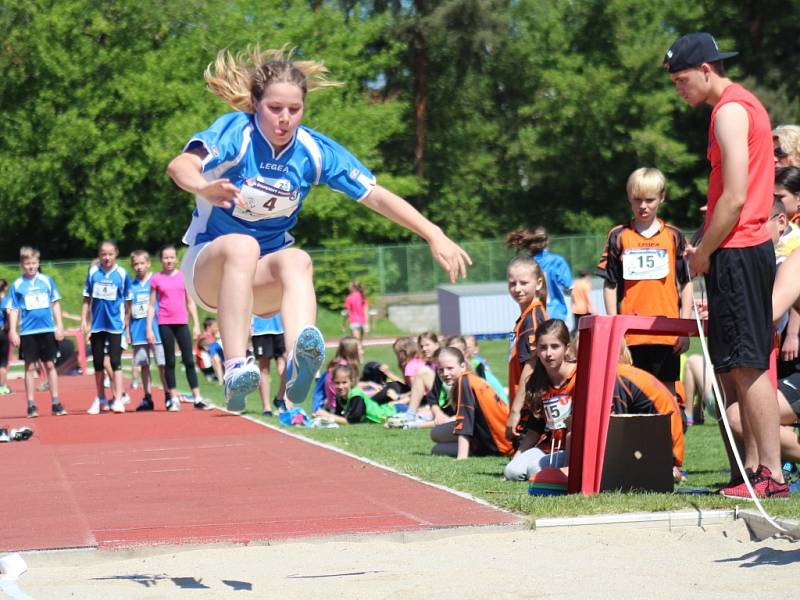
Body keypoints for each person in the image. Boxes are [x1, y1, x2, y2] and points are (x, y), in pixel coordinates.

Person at [166, 45, 470, 412]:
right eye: (274, 108)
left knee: (297, 260)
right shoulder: (238, 134)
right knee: (242, 246)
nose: (285, 119)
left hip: (260, 283)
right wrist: (202, 186)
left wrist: (433, 233)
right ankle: (235, 366)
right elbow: (180, 165)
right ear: (255, 104)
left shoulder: (313, 150)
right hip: (209, 269)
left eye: (294, 110)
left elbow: (374, 195)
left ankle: (298, 365)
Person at [665, 31, 787, 497]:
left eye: (681, 80)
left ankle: (770, 475)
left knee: (748, 364)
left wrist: (703, 252)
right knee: (738, 363)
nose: (678, 89)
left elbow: (735, 198)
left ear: (706, 70)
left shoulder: (730, 111)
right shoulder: (739, 107)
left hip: (738, 249)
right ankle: (757, 471)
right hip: (739, 247)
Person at [596, 167, 693, 403]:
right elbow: (610, 284)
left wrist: (684, 328)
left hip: (666, 332)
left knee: (667, 396)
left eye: (650, 200)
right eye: (637, 199)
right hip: (630, 334)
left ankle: (672, 437)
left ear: (662, 198)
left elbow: (686, 282)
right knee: (632, 393)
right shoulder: (618, 236)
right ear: (629, 197)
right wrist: (614, 328)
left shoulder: (674, 236)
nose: (643, 206)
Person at [505, 319, 574, 480]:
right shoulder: (536, 381)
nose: (548, 354)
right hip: (548, 447)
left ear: (566, 348)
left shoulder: (579, 376)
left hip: (572, 448)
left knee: (536, 467)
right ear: (536, 350)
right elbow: (534, 430)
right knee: (512, 471)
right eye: (543, 348)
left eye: (555, 347)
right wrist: (516, 460)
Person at [147, 244, 210, 411]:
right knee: (170, 361)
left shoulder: (183, 277)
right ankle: (173, 398)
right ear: (161, 260)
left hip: (182, 322)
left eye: (172, 257)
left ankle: (197, 397)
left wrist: (196, 324)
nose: (169, 260)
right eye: (165, 258)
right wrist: (148, 329)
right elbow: (151, 306)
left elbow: (190, 302)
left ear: (176, 259)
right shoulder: (156, 279)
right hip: (164, 323)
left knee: (189, 360)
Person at [7, 247, 67, 417]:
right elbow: (13, 309)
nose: (31, 267)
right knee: (30, 366)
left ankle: (56, 402)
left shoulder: (47, 281)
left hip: (47, 329)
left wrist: (59, 325)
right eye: (27, 264)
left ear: (38, 263)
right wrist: (13, 330)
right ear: (21, 265)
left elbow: (55, 303)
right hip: (28, 332)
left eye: (33, 263)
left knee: (50, 365)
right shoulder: (18, 285)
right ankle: (31, 405)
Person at [430, 347, 512, 459]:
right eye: (441, 370)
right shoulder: (470, 379)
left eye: (450, 368)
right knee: (436, 441)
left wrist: (461, 457)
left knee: (436, 443)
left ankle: (474, 448)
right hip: (501, 437)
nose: (445, 373)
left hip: (497, 443)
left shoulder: (464, 382)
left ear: (462, 366)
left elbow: (464, 421)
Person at [81, 241, 131, 415]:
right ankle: (100, 398)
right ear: (99, 255)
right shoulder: (93, 273)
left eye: (110, 254)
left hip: (115, 325)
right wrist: (84, 321)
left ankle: (118, 399)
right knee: (97, 363)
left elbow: (128, 299)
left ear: (116, 253)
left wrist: (126, 320)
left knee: (116, 362)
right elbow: (87, 298)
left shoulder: (123, 274)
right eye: (103, 254)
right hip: (97, 325)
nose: (106, 257)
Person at [504, 256, 548, 442]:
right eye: (512, 283)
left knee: (516, 470)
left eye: (524, 283)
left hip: (529, 406)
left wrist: (515, 410)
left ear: (538, 283)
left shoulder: (534, 318)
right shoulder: (525, 317)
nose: (517, 289)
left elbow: (531, 367)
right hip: (523, 403)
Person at [127, 250, 167, 412]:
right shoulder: (130, 285)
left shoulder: (156, 280)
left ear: (148, 263)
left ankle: (168, 394)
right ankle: (147, 397)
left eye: (142, 263)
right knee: (143, 364)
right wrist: (127, 330)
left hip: (157, 329)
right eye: (135, 264)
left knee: (162, 364)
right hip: (138, 330)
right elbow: (127, 309)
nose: (139, 267)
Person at [506, 226, 572, 322]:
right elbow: (568, 288)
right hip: (556, 313)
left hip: (533, 314)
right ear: (547, 241)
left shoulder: (527, 263)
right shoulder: (557, 261)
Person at [313, 364, 402, 425]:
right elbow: (339, 416)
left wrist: (327, 415)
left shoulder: (356, 396)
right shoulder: (339, 395)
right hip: (388, 409)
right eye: (337, 383)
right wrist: (321, 417)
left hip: (391, 413)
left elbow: (351, 421)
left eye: (344, 382)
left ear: (351, 382)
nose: (340, 386)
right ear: (332, 383)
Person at [252, 313, 286, 416]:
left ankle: (280, 398)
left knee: (285, 365)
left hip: (281, 327)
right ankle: (266, 408)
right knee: (264, 369)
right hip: (260, 329)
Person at [196, 317, 225, 384]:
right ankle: (220, 380)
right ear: (209, 327)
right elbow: (208, 347)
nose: (217, 328)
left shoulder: (211, 337)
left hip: (212, 363)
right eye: (215, 326)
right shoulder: (203, 337)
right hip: (206, 366)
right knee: (216, 356)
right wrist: (219, 337)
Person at [570, 271, 594, 336]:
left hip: (576, 309)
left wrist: (572, 305)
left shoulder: (575, 283)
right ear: (586, 276)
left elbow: (572, 295)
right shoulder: (585, 285)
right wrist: (594, 309)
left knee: (576, 327)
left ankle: (571, 338)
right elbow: (587, 298)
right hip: (584, 309)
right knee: (587, 327)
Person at [0, 279, 11, 395]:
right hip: (2, 332)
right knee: (3, 362)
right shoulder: (6, 301)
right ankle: (2, 387)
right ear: (5, 288)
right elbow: (9, 315)